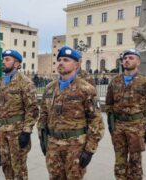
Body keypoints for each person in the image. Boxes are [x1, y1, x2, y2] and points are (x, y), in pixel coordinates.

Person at [37, 46, 104, 180]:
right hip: (53, 145)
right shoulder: (50, 88)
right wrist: (43, 139)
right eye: (59, 59)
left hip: (75, 147)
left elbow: (95, 121)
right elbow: (43, 114)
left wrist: (89, 150)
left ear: (77, 64)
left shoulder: (86, 89)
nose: (61, 62)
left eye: (66, 60)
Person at [0, 49, 38, 179]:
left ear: (16, 64)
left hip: (17, 132)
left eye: (7, 60)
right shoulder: (0, 82)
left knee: (19, 167)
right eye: (3, 59)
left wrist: (27, 131)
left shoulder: (25, 82)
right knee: (6, 164)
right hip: (2, 130)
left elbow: (32, 109)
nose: (3, 62)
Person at [105, 49, 146, 180]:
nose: (127, 60)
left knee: (135, 162)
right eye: (125, 58)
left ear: (138, 62)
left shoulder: (145, 81)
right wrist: (111, 123)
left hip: (136, 127)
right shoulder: (115, 82)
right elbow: (109, 104)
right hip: (118, 126)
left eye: (131, 58)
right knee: (119, 161)